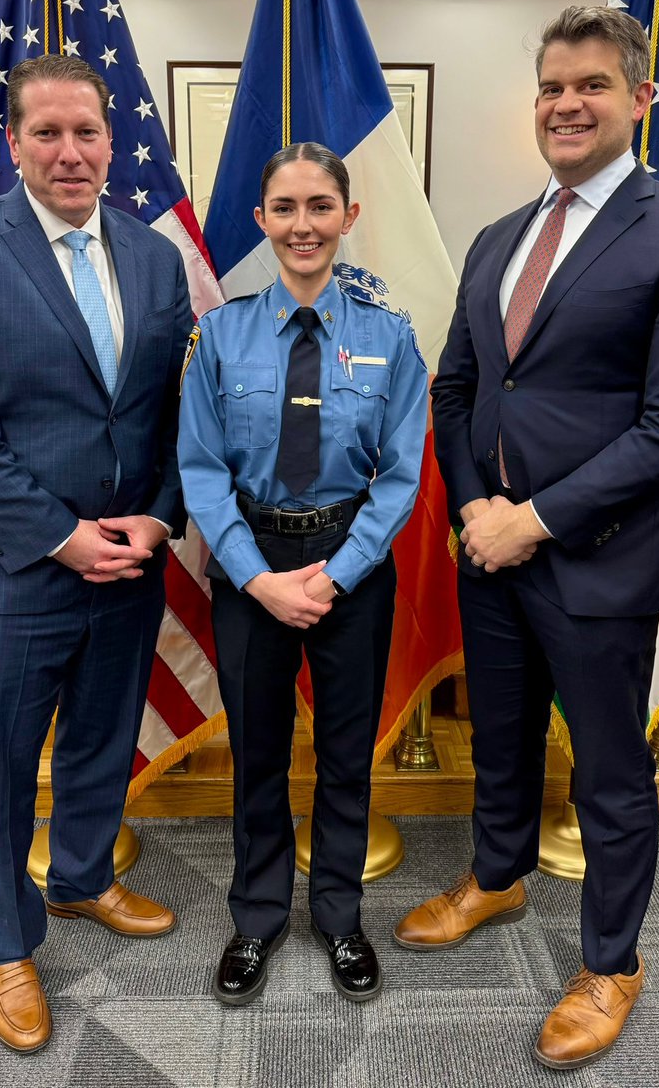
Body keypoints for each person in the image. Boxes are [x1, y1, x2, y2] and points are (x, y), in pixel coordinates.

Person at [393, 6, 659, 1068]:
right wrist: (470, 513)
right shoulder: (500, 236)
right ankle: (495, 881)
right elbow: (455, 387)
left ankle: (611, 963)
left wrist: (530, 521)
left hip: (599, 557)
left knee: (604, 773)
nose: (565, 103)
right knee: (495, 741)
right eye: (551, 86)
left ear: (637, 100)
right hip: (488, 549)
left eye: (591, 85)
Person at [0, 55, 192, 1053]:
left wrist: (154, 519)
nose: (70, 152)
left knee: (101, 741)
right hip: (19, 568)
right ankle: (5, 944)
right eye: (47, 134)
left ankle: (78, 880)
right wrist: (60, 537)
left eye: (87, 133)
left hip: (128, 560)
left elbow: (163, 412)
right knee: (1, 771)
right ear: (13, 143)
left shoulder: (154, 260)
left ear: (113, 143)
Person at [178, 142, 428, 1005]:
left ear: (348, 217)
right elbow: (202, 471)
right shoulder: (219, 335)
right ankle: (256, 917)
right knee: (256, 754)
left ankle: (338, 913)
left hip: (349, 566)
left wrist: (337, 572)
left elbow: (400, 475)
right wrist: (257, 578)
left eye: (320, 206)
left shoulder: (389, 337)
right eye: (284, 208)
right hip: (250, 568)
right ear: (262, 220)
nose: (303, 225)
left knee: (345, 753)